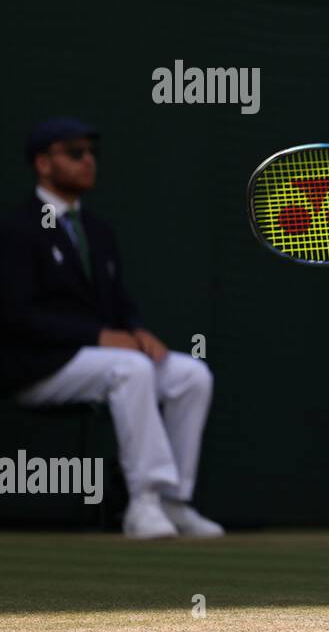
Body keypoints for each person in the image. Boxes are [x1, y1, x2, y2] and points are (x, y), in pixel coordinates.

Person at [0, 118, 223, 540]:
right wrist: (99, 337)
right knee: (130, 369)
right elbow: (16, 316)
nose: (89, 162)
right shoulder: (16, 230)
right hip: (35, 367)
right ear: (44, 164)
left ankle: (175, 502)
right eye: (75, 153)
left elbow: (118, 304)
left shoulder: (98, 232)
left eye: (91, 153)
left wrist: (137, 329)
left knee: (192, 375)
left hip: (97, 358)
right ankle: (144, 502)